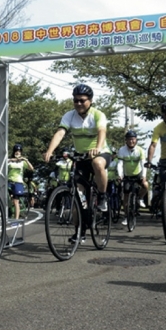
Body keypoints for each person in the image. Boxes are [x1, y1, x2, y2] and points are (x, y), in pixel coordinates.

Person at [44, 84, 111, 233]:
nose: (79, 103)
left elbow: (102, 131)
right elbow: (60, 133)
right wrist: (50, 150)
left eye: (82, 100)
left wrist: (98, 148)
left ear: (91, 101)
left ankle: (102, 196)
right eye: (76, 100)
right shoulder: (69, 115)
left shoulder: (97, 114)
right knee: (78, 198)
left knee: (97, 163)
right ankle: (79, 232)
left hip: (100, 152)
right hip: (81, 157)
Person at [117, 130, 148, 226]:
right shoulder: (122, 150)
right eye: (129, 139)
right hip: (127, 175)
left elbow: (143, 164)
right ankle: (126, 216)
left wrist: (144, 176)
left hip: (138, 173)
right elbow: (120, 163)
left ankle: (140, 198)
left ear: (136, 140)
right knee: (126, 196)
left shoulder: (140, 150)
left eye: (133, 139)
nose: (131, 141)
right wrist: (120, 174)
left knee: (145, 185)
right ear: (126, 140)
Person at [8, 143, 34, 219]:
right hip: (9, 181)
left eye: (19, 151)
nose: (17, 152)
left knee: (16, 201)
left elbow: (31, 168)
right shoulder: (10, 161)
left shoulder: (23, 162)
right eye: (16, 151)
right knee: (7, 198)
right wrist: (11, 160)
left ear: (21, 152)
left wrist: (26, 160)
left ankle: (16, 218)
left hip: (18, 182)